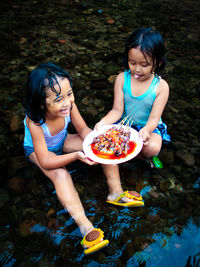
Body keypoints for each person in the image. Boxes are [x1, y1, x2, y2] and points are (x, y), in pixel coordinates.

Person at [23, 62, 143, 255]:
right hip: (39, 151)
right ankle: (86, 228)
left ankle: (116, 192)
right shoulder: (35, 121)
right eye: (58, 99)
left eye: (69, 94)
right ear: (40, 103)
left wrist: (102, 142)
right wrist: (76, 156)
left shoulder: (70, 106)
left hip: (62, 140)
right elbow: (45, 160)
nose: (67, 102)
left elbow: (83, 130)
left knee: (101, 145)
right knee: (61, 175)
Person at [95, 27, 171, 167]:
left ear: (158, 62)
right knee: (104, 140)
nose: (137, 69)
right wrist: (103, 122)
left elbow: (154, 119)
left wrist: (146, 130)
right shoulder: (122, 79)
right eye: (132, 63)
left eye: (144, 65)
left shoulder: (161, 87)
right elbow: (117, 111)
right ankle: (136, 155)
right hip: (125, 125)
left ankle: (138, 155)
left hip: (147, 127)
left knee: (152, 148)